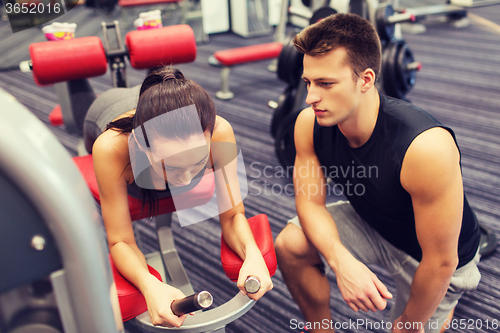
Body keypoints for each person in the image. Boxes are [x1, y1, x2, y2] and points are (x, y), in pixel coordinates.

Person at [274, 13, 481, 333]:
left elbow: (441, 262)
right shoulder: (309, 124)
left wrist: (409, 323)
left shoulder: (425, 148)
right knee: (291, 244)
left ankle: (444, 308)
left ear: (366, 79)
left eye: (326, 84)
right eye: (308, 83)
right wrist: (341, 261)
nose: (311, 97)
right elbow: (310, 204)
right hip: (375, 224)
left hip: (435, 259)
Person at [84, 67, 273, 328]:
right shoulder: (111, 146)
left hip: (156, 104)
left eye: (198, 163)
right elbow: (120, 241)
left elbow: (233, 216)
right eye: (171, 167)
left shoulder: (220, 132)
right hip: (106, 107)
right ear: (141, 146)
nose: (185, 181)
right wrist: (150, 285)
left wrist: (252, 254)